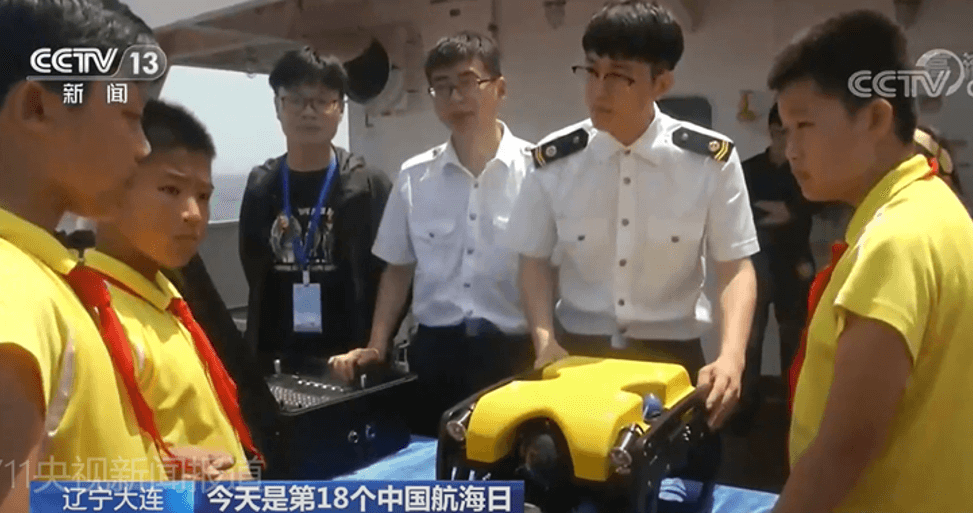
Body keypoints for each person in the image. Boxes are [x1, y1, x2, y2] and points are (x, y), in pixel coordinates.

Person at [768, 9, 973, 513]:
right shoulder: (942, 209)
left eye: (805, 125)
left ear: (876, 118)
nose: (791, 150)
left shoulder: (893, 242)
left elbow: (842, 451)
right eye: (786, 130)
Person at [503, 0, 758, 433]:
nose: (598, 90)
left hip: (672, 357)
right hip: (577, 356)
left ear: (662, 83)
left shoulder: (708, 161)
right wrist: (545, 340)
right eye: (591, 71)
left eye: (619, 76)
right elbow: (533, 260)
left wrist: (732, 356)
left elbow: (735, 266)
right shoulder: (554, 161)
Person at [0, 0, 158, 513]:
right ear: (38, 107)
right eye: (128, 116)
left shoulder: (43, 277)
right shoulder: (14, 290)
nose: (143, 148)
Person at [330, 31, 535, 436]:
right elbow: (398, 270)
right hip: (436, 355)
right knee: (432, 456)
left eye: (467, 82)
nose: (455, 97)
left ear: (500, 88)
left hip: (514, 354)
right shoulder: (414, 176)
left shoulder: (537, 173)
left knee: (514, 461)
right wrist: (378, 344)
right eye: (442, 87)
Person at [76, 99, 262, 481]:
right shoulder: (92, 319)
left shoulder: (164, 298)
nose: (194, 213)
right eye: (171, 189)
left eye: (204, 196)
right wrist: (164, 474)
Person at [239, 47, 392, 376]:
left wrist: (375, 346)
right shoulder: (261, 186)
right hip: (277, 362)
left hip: (350, 363)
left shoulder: (368, 185)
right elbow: (253, 265)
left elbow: (391, 274)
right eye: (295, 100)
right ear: (277, 106)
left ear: (341, 109)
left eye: (322, 101)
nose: (308, 112)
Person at [735, 103, 820, 433]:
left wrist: (787, 212)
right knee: (749, 339)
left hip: (794, 265)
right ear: (770, 131)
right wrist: (784, 212)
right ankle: (742, 410)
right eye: (780, 131)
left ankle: (795, 412)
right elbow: (740, 212)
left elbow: (815, 206)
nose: (785, 138)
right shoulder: (749, 169)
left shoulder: (807, 169)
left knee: (795, 341)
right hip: (757, 265)